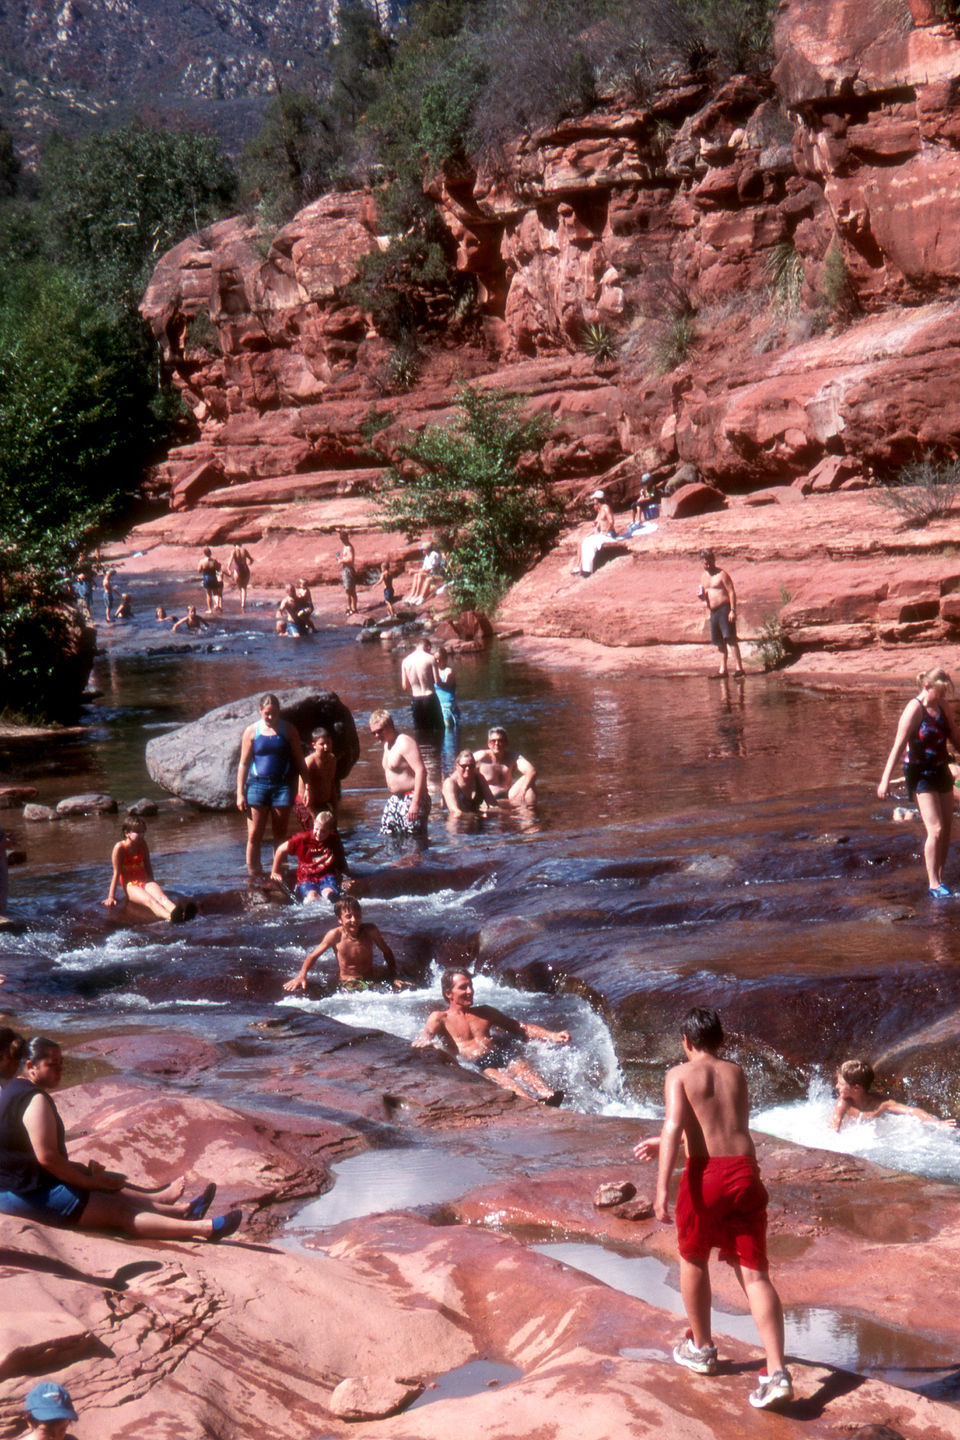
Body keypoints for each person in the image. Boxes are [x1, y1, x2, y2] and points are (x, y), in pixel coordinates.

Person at [636, 1006, 792, 1411]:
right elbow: (719, 1124)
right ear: (720, 1040)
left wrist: (661, 1192)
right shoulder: (736, 1072)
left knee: (693, 1257)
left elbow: (675, 1125)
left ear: (686, 1042)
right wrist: (671, 1141)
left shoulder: (679, 1073)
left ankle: (702, 1348)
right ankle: (777, 1372)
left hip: (706, 1176)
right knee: (755, 1275)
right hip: (744, 1171)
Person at [0, 1036, 241, 1241]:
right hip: (25, 1194)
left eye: (62, 1064)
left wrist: (90, 1179)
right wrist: (91, 1184)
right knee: (119, 1212)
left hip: (17, 1186)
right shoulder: (34, 1099)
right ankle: (204, 1229)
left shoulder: (12, 1091)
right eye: (53, 1065)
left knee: (95, 1179)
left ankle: (182, 1211)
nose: (61, 1070)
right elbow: (48, 1159)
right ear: (31, 1066)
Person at [412, 969, 568, 1104]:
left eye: (470, 986)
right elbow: (428, 1032)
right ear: (448, 993)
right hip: (475, 1063)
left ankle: (548, 1095)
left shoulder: (486, 1012)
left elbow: (519, 1027)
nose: (470, 991)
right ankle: (531, 1103)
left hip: (498, 1052)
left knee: (522, 1067)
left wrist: (552, 1035)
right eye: (463, 987)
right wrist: (425, 1039)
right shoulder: (440, 1017)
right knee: (502, 1079)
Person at [878, 667, 960, 897]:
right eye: (940, 691)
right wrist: (884, 780)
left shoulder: (943, 707)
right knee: (935, 828)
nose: (943, 696)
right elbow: (897, 746)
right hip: (919, 773)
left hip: (941, 769)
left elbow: (954, 736)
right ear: (927, 687)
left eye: (945, 692)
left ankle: (940, 879)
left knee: (947, 828)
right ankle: (933, 884)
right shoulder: (914, 710)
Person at [236, 693, 309, 876]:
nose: (270, 717)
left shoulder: (289, 730)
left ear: (279, 712)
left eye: (273, 713)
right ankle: (254, 874)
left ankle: (279, 873)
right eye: (266, 713)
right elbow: (243, 763)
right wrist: (240, 793)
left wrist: (307, 786)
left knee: (280, 834)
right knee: (254, 835)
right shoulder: (251, 732)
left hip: (281, 787)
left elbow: (300, 761)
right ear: (260, 711)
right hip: (257, 787)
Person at [283, 897, 403, 991]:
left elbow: (386, 951)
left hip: (370, 979)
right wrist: (301, 975)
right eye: (348, 916)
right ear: (340, 919)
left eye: (357, 915)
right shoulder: (335, 935)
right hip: (347, 982)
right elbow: (313, 956)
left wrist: (393, 974)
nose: (354, 920)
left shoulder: (370, 930)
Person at [103, 818, 193, 923]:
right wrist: (111, 897)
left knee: (162, 898)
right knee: (151, 901)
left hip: (145, 881)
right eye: (137, 832)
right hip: (130, 885)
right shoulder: (120, 848)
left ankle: (181, 914)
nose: (141, 835)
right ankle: (171, 917)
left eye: (143, 832)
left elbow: (147, 865)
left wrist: (152, 882)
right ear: (127, 833)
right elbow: (116, 873)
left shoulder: (143, 844)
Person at [831, 1059, 957, 1131]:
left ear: (856, 1088)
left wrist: (937, 1123)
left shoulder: (881, 1103)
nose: (836, 1086)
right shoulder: (844, 1103)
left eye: (840, 1083)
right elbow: (834, 1128)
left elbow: (912, 1111)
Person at [369, 709, 430, 835]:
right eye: (373, 733)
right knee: (387, 835)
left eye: (379, 731)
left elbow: (421, 771)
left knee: (413, 839)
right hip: (396, 799)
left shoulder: (404, 742)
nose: (376, 736)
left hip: (412, 797)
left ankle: (421, 855)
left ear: (390, 725)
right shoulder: (387, 745)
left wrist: (415, 803)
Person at [270, 810, 348, 903]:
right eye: (317, 829)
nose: (318, 834)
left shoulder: (333, 840)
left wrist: (346, 871)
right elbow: (280, 849)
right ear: (314, 824)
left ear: (330, 831)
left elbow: (340, 856)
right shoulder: (302, 839)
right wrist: (274, 871)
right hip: (306, 877)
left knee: (329, 893)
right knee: (312, 896)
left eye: (323, 831)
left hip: (326, 875)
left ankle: (332, 903)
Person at [698, 550, 744, 678]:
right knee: (719, 642)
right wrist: (702, 597)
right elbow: (704, 595)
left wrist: (733, 610)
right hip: (713, 611)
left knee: (730, 638)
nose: (706, 565)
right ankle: (722, 670)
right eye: (704, 563)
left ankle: (739, 668)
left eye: (708, 562)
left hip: (724, 609)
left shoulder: (722, 574)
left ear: (713, 560)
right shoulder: (703, 577)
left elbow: (731, 592)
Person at [474, 726, 537, 803]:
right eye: (493, 741)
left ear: (506, 743)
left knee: (528, 781)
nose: (497, 744)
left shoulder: (512, 756)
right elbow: (461, 769)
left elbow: (531, 771)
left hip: (508, 796)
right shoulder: (480, 757)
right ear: (489, 744)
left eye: (500, 740)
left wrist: (523, 791)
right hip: (488, 799)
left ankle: (530, 812)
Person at [296, 726, 339, 826]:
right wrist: (314, 816)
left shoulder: (332, 759)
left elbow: (331, 784)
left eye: (328, 743)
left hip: (322, 804)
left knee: (333, 834)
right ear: (314, 745)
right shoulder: (309, 763)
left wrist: (336, 811)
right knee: (317, 834)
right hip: (305, 805)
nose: (326, 747)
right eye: (322, 744)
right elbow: (302, 794)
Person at [401, 637, 443, 731]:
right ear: (428, 647)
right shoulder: (431, 659)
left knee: (421, 731)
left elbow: (405, 686)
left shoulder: (405, 661)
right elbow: (437, 682)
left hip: (416, 700)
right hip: (430, 697)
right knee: (439, 730)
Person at [442, 750, 497, 815]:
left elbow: (493, 804)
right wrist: (475, 816)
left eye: (471, 766)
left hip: (474, 817)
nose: (467, 768)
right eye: (464, 766)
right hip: (452, 819)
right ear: (457, 766)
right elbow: (455, 811)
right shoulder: (450, 783)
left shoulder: (480, 779)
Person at [577, 490, 617, 576]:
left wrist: (606, 532)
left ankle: (587, 570)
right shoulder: (600, 510)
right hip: (601, 534)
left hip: (608, 534)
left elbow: (611, 521)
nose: (593, 500)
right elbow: (597, 525)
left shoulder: (606, 508)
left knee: (589, 543)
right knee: (585, 541)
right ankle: (585, 568)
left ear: (598, 499)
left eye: (594, 498)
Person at [434, 645, 460, 730]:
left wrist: (437, 680)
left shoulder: (449, 671)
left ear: (445, 659)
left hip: (448, 707)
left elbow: (447, 685)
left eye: (439, 659)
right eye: (436, 659)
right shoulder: (433, 673)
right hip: (438, 706)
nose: (437, 661)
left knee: (449, 730)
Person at [228, 544, 254, 611]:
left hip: (238, 569)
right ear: (241, 544)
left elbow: (230, 561)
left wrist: (228, 569)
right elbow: (251, 559)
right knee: (244, 588)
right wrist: (249, 563)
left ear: (234, 545)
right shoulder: (244, 550)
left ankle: (241, 603)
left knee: (240, 588)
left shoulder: (234, 551)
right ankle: (243, 604)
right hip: (245, 568)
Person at [339, 531, 358, 616]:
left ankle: (354, 608)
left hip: (349, 570)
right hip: (345, 569)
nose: (342, 540)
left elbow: (350, 560)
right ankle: (349, 607)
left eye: (343, 539)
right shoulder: (344, 546)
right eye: (341, 539)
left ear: (347, 538)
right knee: (347, 590)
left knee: (352, 590)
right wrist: (341, 558)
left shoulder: (349, 547)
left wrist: (342, 560)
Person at [197, 547, 219, 614]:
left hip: (206, 578)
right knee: (215, 593)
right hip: (213, 577)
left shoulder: (202, 561)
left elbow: (199, 570)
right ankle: (217, 605)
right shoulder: (214, 560)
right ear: (210, 553)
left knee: (208, 594)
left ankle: (210, 609)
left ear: (204, 553)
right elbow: (218, 568)